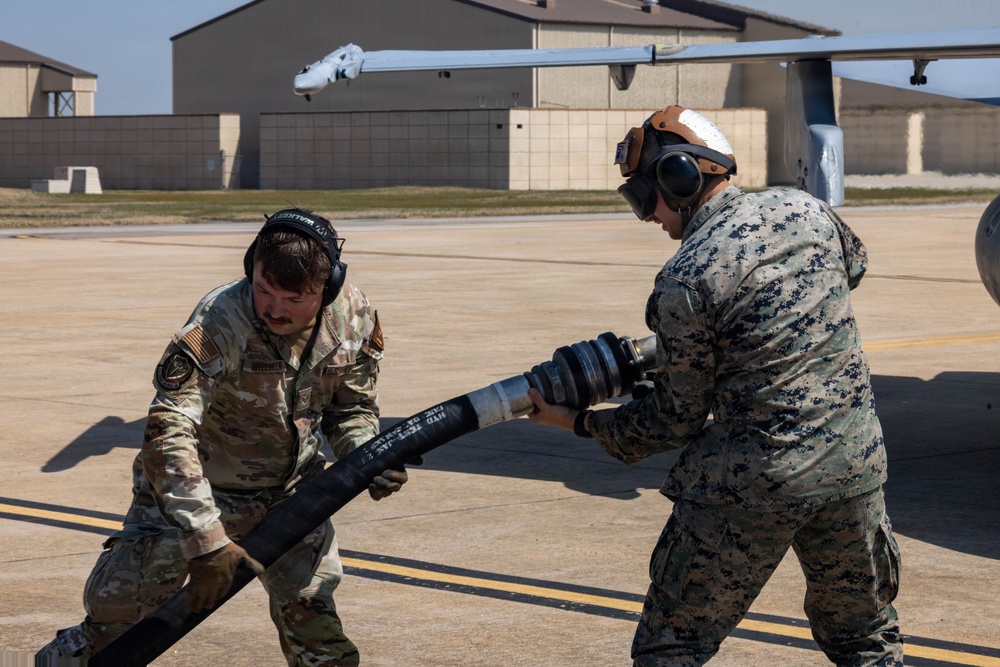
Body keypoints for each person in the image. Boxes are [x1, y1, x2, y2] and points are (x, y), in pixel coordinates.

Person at [527, 106, 903, 666]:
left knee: (671, 646)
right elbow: (853, 270)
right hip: (854, 470)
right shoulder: (805, 209)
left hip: (755, 484)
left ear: (679, 179)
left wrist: (580, 422)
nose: (647, 217)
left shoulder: (685, 277)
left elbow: (672, 420)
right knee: (865, 642)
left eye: (643, 198)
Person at [39, 208, 407, 666]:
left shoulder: (353, 316)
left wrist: (367, 456)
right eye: (263, 289)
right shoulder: (220, 319)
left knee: (314, 625)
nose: (275, 309)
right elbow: (169, 429)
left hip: (291, 498)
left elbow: (350, 408)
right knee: (120, 623)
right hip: (198, 492)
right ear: (251, 267)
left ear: (327, 287)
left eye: (294, 298)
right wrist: (204, 536)